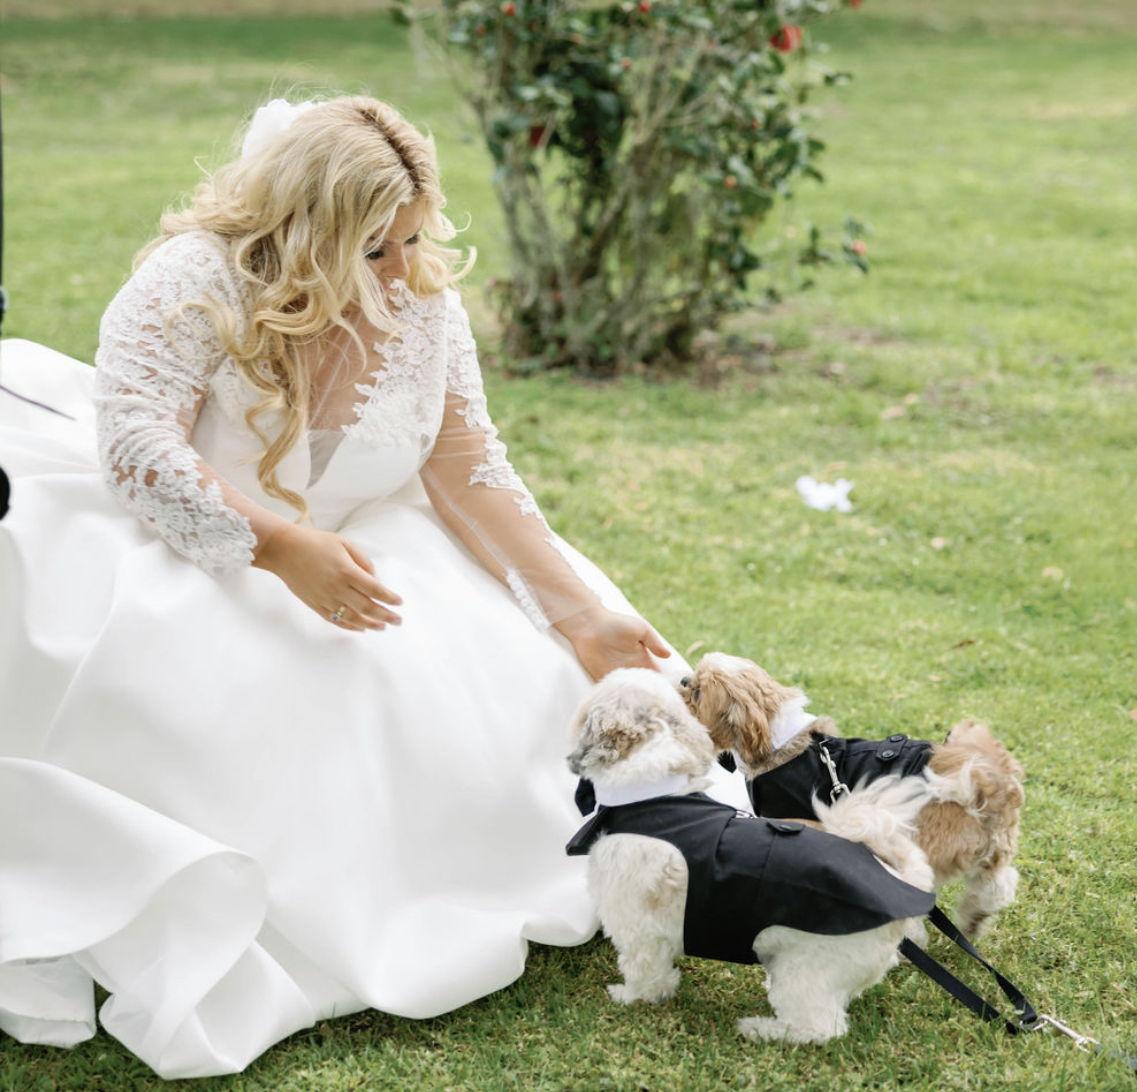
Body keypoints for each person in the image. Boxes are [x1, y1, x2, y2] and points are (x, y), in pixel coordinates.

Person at [0, 94, 744, 1079]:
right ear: (302, 229)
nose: (401, 270)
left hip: (368, 541)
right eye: (375, 248)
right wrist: (275, 547)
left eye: (413, 239)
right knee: (305, 691)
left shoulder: (422, 297)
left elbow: (467, 466)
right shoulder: (193, 279)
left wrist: (580, 617)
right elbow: (137, 446)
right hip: (193, 539)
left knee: (514, 684)